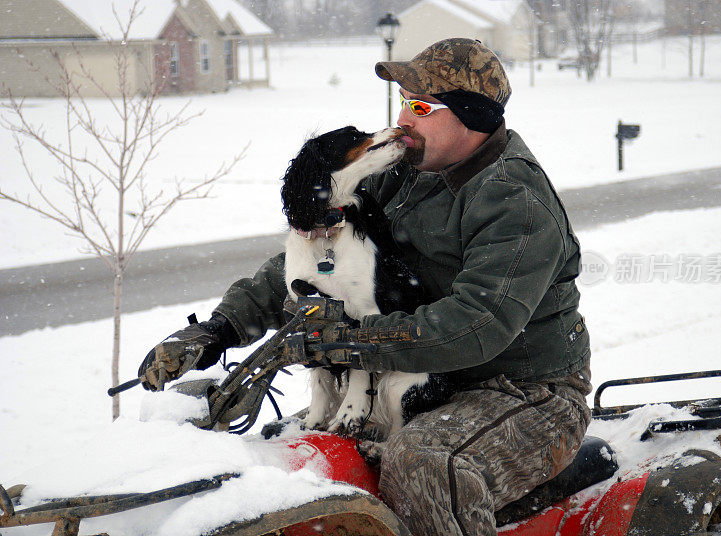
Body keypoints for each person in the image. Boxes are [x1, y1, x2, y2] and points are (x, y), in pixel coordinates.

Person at [139, 38, 591, 536]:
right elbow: (315, 263)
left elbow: (475, 326)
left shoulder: (513, 200)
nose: (404, 120)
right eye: (403, 102)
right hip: (410, 377)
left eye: (420, 107)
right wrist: (221, 329)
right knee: (287, 454)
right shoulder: (402, 173)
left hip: (522, 392)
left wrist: (350, 339)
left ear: (473, 117)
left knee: (423, 466)